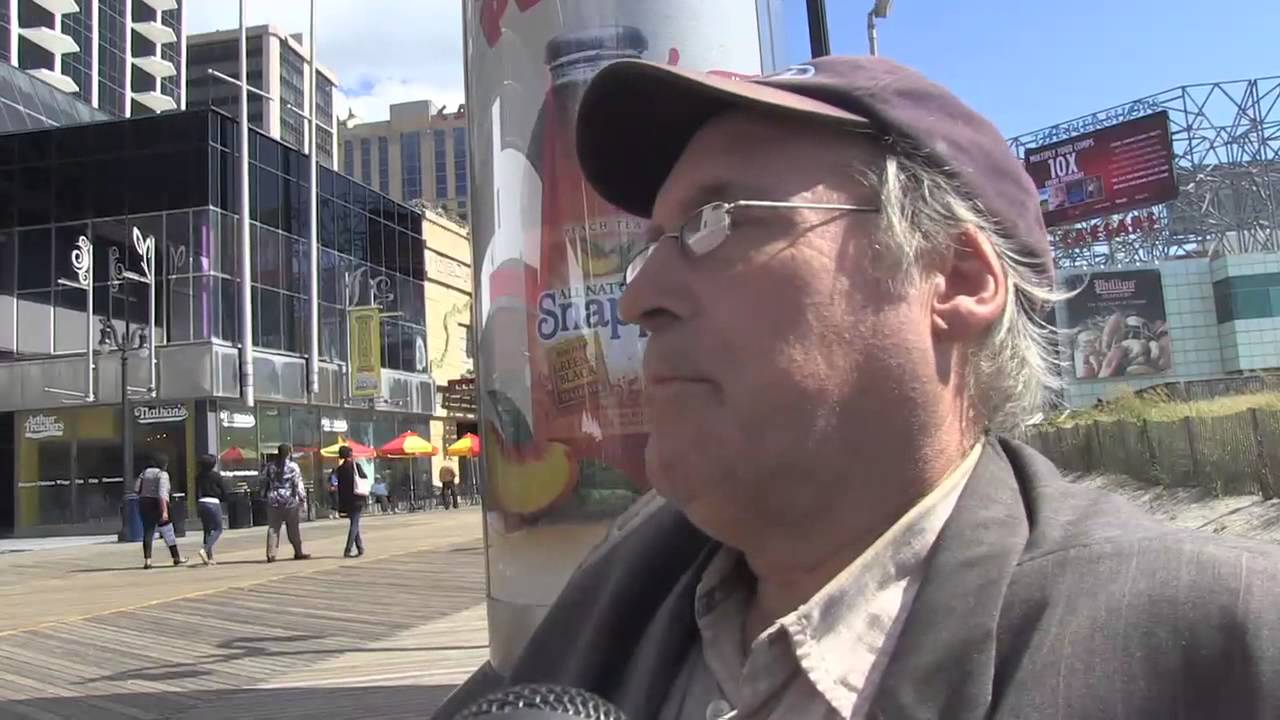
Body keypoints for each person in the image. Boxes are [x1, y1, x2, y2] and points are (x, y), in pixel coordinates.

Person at [435, 56, 1280, 719]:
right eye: (650, 244)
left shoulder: (1215, 648)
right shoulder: (612, 590)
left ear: (954, 277)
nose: (637, 299)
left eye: (716, 221)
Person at [135, 453, 187, 569]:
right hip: (157, 504)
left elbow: (136, 489)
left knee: (148, 532)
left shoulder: (144, 473)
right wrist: (164, 511)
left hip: (144, 503)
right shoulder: (162, 474)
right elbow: (162, 494)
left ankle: (148, 560)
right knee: (168, 531)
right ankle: (176, 557)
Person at [260, 442, 310, 563]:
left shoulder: (270, 466)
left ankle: (271, 554)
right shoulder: (293, 466)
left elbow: (263, 481)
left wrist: (263, 495)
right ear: (289, 453)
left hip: (273, 499)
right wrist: (302, 498)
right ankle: (298, 551)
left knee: (273, 528)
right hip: (289, 500)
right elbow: (297, 483)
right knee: (293, 528)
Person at [194, 453, 232, 566]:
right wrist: (226, 499)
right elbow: (223, 490)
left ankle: (209, 557)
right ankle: (204, 549)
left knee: (207, 530)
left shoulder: (198, 476)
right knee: (218, 529)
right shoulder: (216, 476)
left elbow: (196, 491)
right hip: (213, 502)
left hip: (201, 502)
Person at [334, 445, 368, 558]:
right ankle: (348, 549)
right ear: (350, 454)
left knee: (354, 522)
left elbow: (340, 487)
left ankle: (360, 547)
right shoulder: (355, 466)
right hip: (357, 498)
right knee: (354, 524)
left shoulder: (339, 469)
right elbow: (364, 477)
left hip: (346, 500)